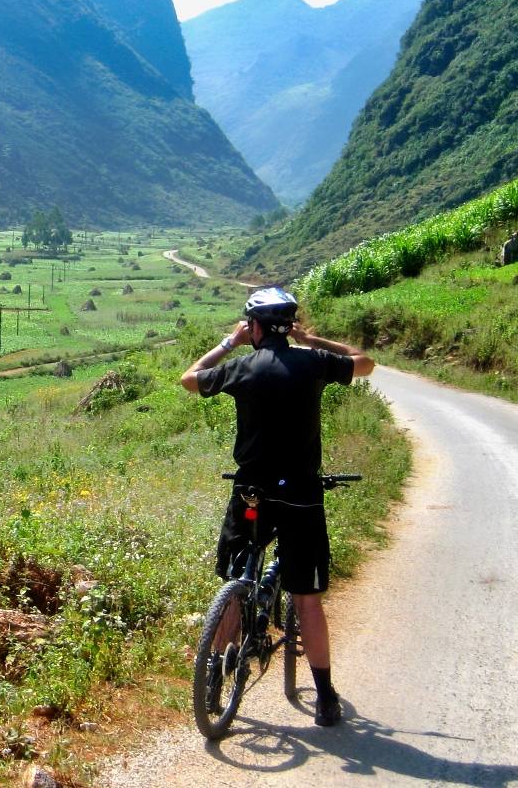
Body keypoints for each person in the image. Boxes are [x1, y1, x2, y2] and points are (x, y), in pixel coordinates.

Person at [179, 286, 375, 726]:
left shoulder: (243, 366)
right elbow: (366, 363)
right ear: (288, 328)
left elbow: (190, 378)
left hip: (251, 491)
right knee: (306, 598)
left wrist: (230, 343)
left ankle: (214, 677)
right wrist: (314, 341)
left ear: (255, 329)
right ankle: (324, 698)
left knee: (236, 580)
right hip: (301, 494)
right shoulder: (312, 363)